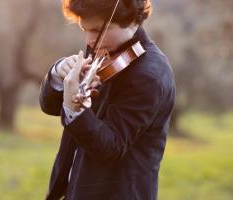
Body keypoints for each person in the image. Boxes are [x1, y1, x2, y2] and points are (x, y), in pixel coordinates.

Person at [39, 0, 175, 199]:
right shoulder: (104, 47)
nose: (89, 40)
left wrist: (75, 110)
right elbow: (49, 106)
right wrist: (58, 73)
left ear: (129, 20)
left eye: (96, 30)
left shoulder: (150, 75)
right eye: (83, 29)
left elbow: (111, 147)